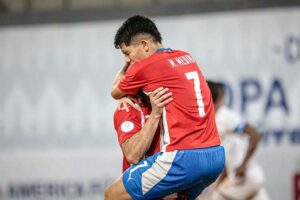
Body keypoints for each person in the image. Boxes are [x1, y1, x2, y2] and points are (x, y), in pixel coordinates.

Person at [105, 15, 225, 200]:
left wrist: (126, 67)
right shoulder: (186, 57)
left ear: (145, 45)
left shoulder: (146, 65)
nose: (128, 60)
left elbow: (114, 92)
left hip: (183, 158)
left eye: (127, 53)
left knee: (112, 195)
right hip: (215, 157)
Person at [206, 81, 270, 200]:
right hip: (249, 178)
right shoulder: (213, 120)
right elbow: (225, 158)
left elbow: (255, 134)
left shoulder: (223, 115)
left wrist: (244, 164)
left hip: (245, 177)